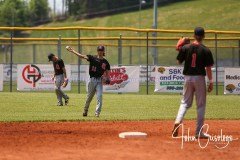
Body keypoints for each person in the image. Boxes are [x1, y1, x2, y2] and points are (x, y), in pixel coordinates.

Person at [172, 27, 214, 138]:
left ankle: (178, 121)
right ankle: (198, 132)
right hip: (199, 78)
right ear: (203, 36)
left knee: (185, 103)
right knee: (200, 105)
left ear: (194, 36)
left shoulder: (186, 48)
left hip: (187, 78)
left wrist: (180, 49)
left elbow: (178, 61)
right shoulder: (206, 50)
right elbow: (208, 68)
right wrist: (211, 82)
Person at [66, 45, 110, 117]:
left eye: (101, 50)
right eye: (99, 50)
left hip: (99, 81)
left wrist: (108, 78)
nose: (100, 52)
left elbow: (108, 71)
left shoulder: (105, 62)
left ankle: (97, 113)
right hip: (92, 80)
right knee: (89, 97)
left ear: (103, 51)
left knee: (99, 96)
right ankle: (85, 110)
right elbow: (82, 56)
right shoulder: (92, 58)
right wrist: (73, 51)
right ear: (97, 51)